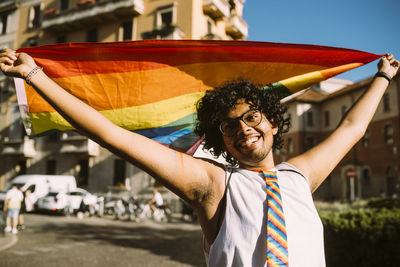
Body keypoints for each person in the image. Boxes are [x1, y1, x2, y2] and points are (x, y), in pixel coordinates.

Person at [0, 49, 398, 266]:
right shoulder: (212, 184)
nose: (243, 128)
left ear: (273, 124)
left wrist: (382, 76)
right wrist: (36, 77)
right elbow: (111, 134)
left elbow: (351, 129)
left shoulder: (300, 176)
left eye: (252, 116)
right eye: (229, 126)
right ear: (220, 139)